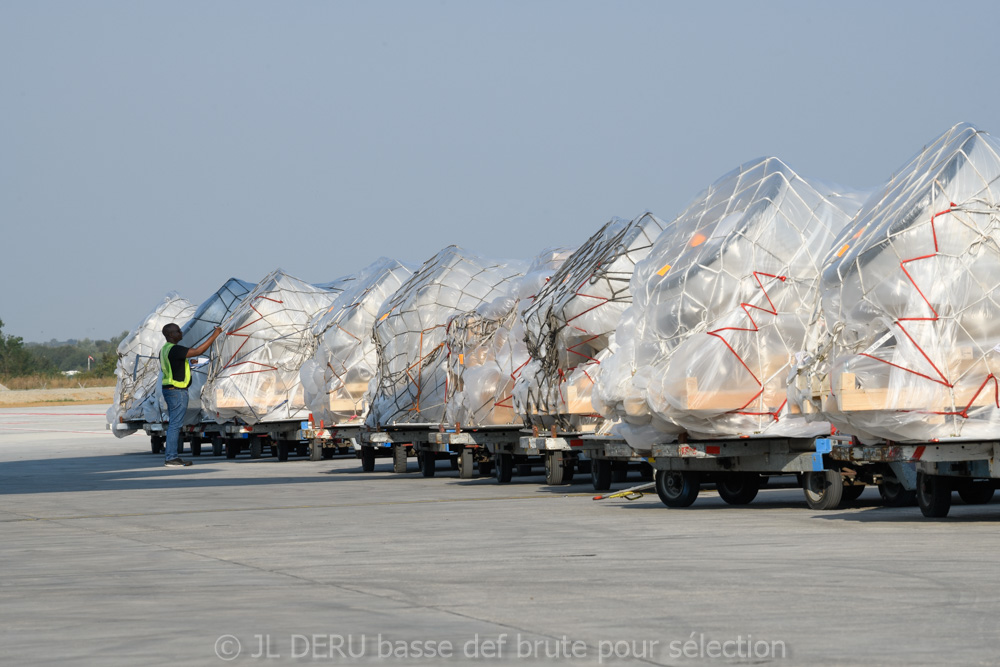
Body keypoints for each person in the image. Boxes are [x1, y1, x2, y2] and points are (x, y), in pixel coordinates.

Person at [160, 323, 223, 467]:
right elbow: (199, 350)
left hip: (169, 390)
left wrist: (188, 362)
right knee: (175, 425)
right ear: (171, 335)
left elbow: (175, 365)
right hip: (177, 391)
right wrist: (215, 334)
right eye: (177, 331)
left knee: (173, 425)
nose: (180, 332)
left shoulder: (165, 349)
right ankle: (171, 458)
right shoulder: (175, 349)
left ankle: (171, 456)